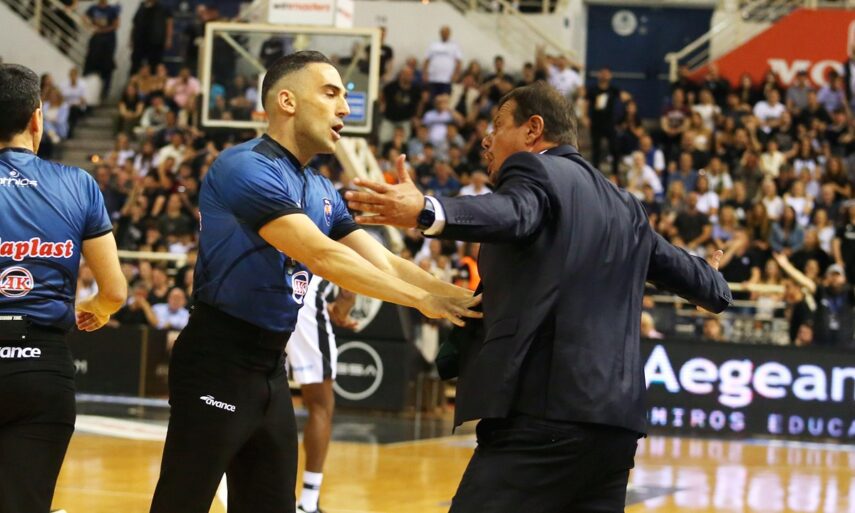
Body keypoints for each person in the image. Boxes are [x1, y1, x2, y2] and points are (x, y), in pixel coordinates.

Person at [345, 82, 731, 512]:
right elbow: (693, 277)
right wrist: (711, 280)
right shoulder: (627, 207)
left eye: (497, 126)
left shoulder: (535, 173)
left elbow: (514, 212)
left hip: (543, 414)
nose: (486, 139)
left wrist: (429, 211)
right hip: (614, 430)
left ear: (533, 129)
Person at [148, 51, 480, 513]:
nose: (345, 108)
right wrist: (422, 299)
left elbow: (384, 260)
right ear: (287, 101)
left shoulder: (321, 188)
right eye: (331, 93)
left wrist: (468, 299)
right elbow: (323, 255)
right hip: (216, 359)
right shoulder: (244, 167)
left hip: (271, 367)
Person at [0, 63, 126, 513]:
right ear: (37, 118)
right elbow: (114, 291)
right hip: (41, 366)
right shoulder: (78, 185)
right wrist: (96, 307)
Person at [286, 276, 356, 513]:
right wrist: (342, 310)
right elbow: (347, 294)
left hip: (268, 292)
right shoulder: (350, 249)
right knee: (320, 406)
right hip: (304, 296)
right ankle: (308, 501)